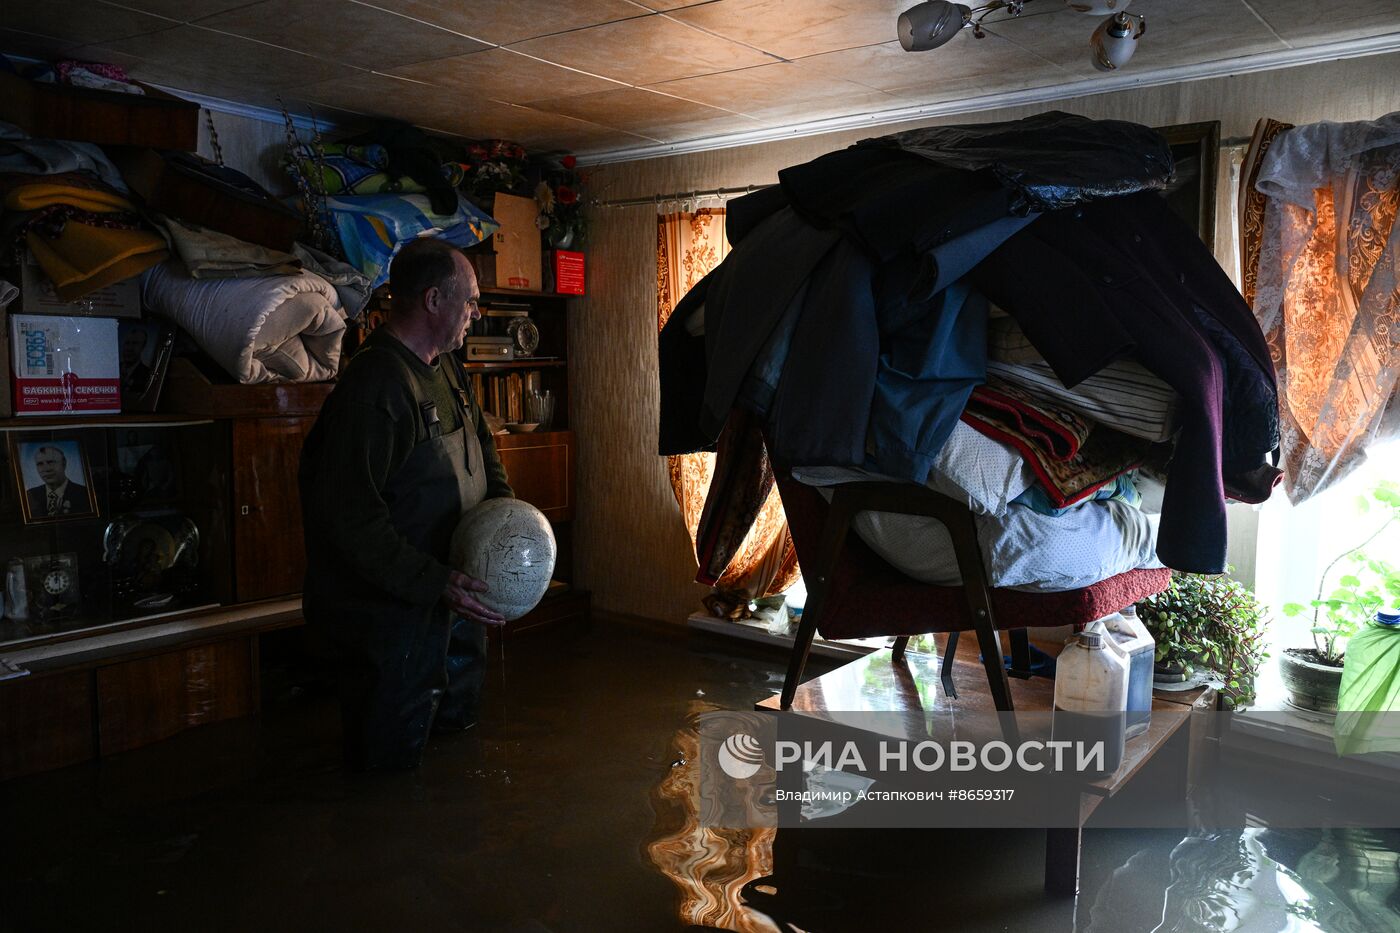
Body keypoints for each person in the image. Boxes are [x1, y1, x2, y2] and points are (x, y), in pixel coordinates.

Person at [299, 238, 513, 771]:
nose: (476, 313)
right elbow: (348, 517)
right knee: (389, 768)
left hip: (451, 605)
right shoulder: (375, 388)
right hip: (391, 617)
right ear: (434, 300)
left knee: (453, 754)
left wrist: (504, 518)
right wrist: (431, 580)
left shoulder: (445, 368)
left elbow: (483, 448)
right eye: (470, 301)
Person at [26, 445, 90, 519]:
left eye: (51, 462)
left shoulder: (84, 494)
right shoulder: (30, 495)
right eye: (40, 464)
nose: (46, 469)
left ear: (64, 463)